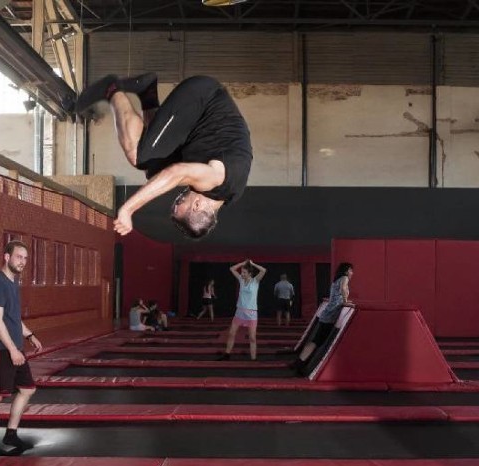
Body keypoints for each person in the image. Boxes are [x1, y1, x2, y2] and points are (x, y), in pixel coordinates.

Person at [75, 73, 253, 239]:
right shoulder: (216, 181)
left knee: (155, 169)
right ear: (197, 205)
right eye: (180, 202)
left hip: (195, 119)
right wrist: (128, 209)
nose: (179, 197)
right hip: (201, 98)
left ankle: (147, 94)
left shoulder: (229, 194)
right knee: (140, 156)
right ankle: (112, 89)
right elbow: (177, 171)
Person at [0, 240, 43, 456]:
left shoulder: (12, 282)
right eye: (19, 257)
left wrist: (29, 335)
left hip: (15, 347)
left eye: (25, 258)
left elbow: (13, 319)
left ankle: (10, 434)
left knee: (27, 389)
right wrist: (12, 350)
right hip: (1, 349)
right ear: (6, 257)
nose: (23, 261)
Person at [291, 262, 354, 376]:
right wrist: (345, 301)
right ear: (346, 271)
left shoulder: (337, 279)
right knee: (317, 341)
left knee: (316, 340)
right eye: (350, 270)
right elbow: (344, 288)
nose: (352, 273)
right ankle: (300, 364)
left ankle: (299, 362)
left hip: (327, 313)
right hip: (330, 314)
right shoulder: (344, 278)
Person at [218, 260, 267, 361]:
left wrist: (252, 264)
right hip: (240, 312)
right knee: (231, 333)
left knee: (252, 338)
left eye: (244, 272)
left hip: (251, 313)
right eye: (242, 272)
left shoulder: (255, 281)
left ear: (250, 273)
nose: (242, 274)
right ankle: (227, 354)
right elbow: (232, 269)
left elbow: (263, 270)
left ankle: (253, 359)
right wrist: (242, 263)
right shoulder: (240, 279)